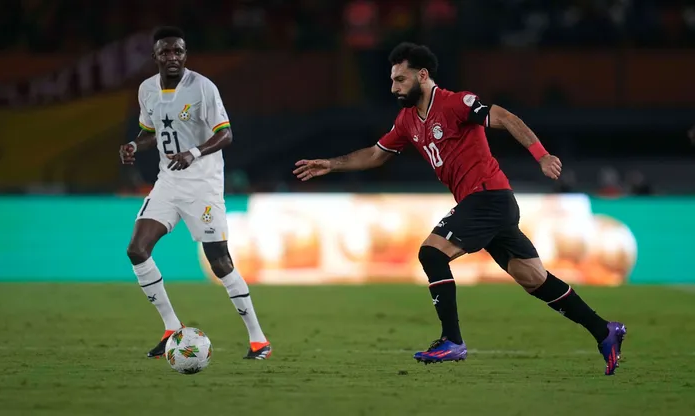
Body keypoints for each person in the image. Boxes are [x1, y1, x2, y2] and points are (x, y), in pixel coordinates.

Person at [293, 42, 625, 375]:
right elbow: (376, 154)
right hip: (485, 204)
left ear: (423, 76)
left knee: (432, 253)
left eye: (400, 79)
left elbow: (506, 117)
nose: (394, 87)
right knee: (534, 279)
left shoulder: (455, 103)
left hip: (488, 197)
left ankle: (452, 340)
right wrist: (331, 164)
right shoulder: (407, 120)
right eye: (392, 80)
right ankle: (604, 331)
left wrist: (542, 155)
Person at [119, 26, 271, 360]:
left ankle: (258, 339)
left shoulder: (202, 87)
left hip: (203, 185)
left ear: (185, 54)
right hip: (168, 182)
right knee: (137, 249)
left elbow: (226, 134)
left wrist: (194, 153)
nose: (173, 57)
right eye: (166, 52)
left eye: (178, 51)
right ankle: (171, 328)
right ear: (155, 56)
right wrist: (134, 144)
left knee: (220, 262)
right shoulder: (147, 90)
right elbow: (152, 132)